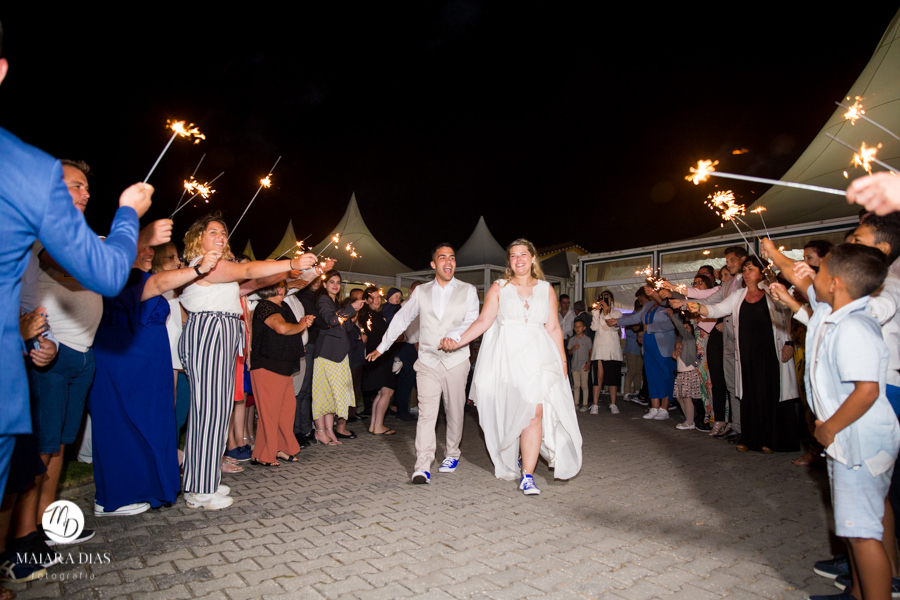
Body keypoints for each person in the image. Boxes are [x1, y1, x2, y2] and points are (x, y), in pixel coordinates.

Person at [178, 212, 322, 509]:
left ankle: (205, 481)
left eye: (223, 233)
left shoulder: (219, 273)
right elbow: (252, 270)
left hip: (224, 331)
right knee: (208, 411)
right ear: (197, 240)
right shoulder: (203, 266)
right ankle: (197, 488)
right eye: (213, 232)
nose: (220, 236)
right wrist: (292, 263)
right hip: (210, 330)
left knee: (217, 411)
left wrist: (300, 274)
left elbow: (258, 281)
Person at [793, 244, 898, 600]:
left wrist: (828, 428)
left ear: (834, 283)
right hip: (849, 442)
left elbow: (866, 391)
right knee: (854, 528)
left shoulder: (854, 325)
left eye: (819, 272)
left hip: (858, 444)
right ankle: (856, 593)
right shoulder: (836, 316)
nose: (813, 276)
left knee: (863, 534)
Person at [441, 239, 582, 496]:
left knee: (534, 412)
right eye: (514, 255)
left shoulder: (546, 289)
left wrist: (562, 360)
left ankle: (528, 476)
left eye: (523, 254)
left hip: (538, 357)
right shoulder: (500, 287)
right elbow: (484, 320)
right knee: (515, 412)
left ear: (532, 258)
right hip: (507, 358)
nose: (519, 259)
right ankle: (513, 455)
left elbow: (552, 327)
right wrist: (458, 341)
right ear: (510, 261)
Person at [90, 245, 220, 516]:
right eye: (142, 247)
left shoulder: (147, 277)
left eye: (151, 248)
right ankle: (115, 497)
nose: (148, 252)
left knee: (151, 424)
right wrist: (197, 268)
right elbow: (158, 283)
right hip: (127, 362)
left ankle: (148, 488)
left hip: (151, 365)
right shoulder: (123, 278)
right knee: (125, 424)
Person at [367, 244, 479, 484]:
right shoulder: (422, 292)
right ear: (433, 264)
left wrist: (455, 336)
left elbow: (471, 320)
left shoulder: (468, 290)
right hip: (427, 361)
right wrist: (381, 347)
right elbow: (401, 319)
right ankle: (423, 464)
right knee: (427, 414)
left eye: (452, 258)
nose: (448, 262)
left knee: (454, 411)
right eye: (442, 258)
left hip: (456, 360)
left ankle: (452, 453)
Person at [689, 257, 800, 453]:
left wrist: (789, 342)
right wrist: (699, 308)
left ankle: (772, 440)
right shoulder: (739, 295)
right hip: (747, 353)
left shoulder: (773, 292)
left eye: (751, 269)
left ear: (762, 272)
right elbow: (717, 309)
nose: (746, 273)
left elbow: (788, 313)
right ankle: (751, 439)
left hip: (771, 352)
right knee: (750, 394)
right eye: (745, 269)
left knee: (771, 394)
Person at [249, 282, 313, 466]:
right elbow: (282, 328)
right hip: (268, 365)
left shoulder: (282, 306)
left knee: (284, 412)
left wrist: (302, 324)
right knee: (270, 414)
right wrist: (301, 325)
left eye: (283, 286)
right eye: (277, 286)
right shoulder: (264, 306)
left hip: (284, 365)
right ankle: (266, 454)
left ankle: (275, 449)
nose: (281, 290)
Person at [609, 286, 677, 421]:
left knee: (665, 375)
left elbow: (672, 324)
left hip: (664, 345)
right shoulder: (649, 305)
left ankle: (664, 408)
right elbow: (635, 318)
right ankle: (654, 407)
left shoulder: (670, 304)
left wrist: (649, 327)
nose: (648, 293)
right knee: (651, 375)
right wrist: (617, 321)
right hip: (648, 345)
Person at [311, 271, 363, 445]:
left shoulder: (335, 302)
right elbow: (331, 320)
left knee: (332, 396)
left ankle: (329, 430)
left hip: (338, 355)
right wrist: (350, 309)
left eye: (338, 282)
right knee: (322, 394)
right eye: (331, 282)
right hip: (327, 354)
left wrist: (350, 312)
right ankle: (320, 431)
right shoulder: (324, 300)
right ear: (325, 285)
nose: (335, 285)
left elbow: (346, 327)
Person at [590, 290, 623, 415]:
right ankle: (595, 404)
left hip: (612, 349)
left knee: (612, 378)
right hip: (599, 348)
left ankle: (613, 404)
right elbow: (594, 327)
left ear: (612, 300)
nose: (604, 300)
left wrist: (608, 313)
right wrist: (596, 313)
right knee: (599, 376)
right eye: (602, 298)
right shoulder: (597, 313)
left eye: (607, 298)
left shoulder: (617, 313)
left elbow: (613, 327)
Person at [567, 320, 592, 411]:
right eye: (576, 327)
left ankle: (585, 404)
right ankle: (576, 403)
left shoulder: (587, 339)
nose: (578, 328)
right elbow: (569, 352)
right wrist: (573, 348)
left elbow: (591, 352)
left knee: (584, 385)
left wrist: (589, 363)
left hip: (584, 365)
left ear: (584, 328)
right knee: (576, 385)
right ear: (574, 328)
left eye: (580, 326)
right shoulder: (572, 339)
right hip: (575, 365)